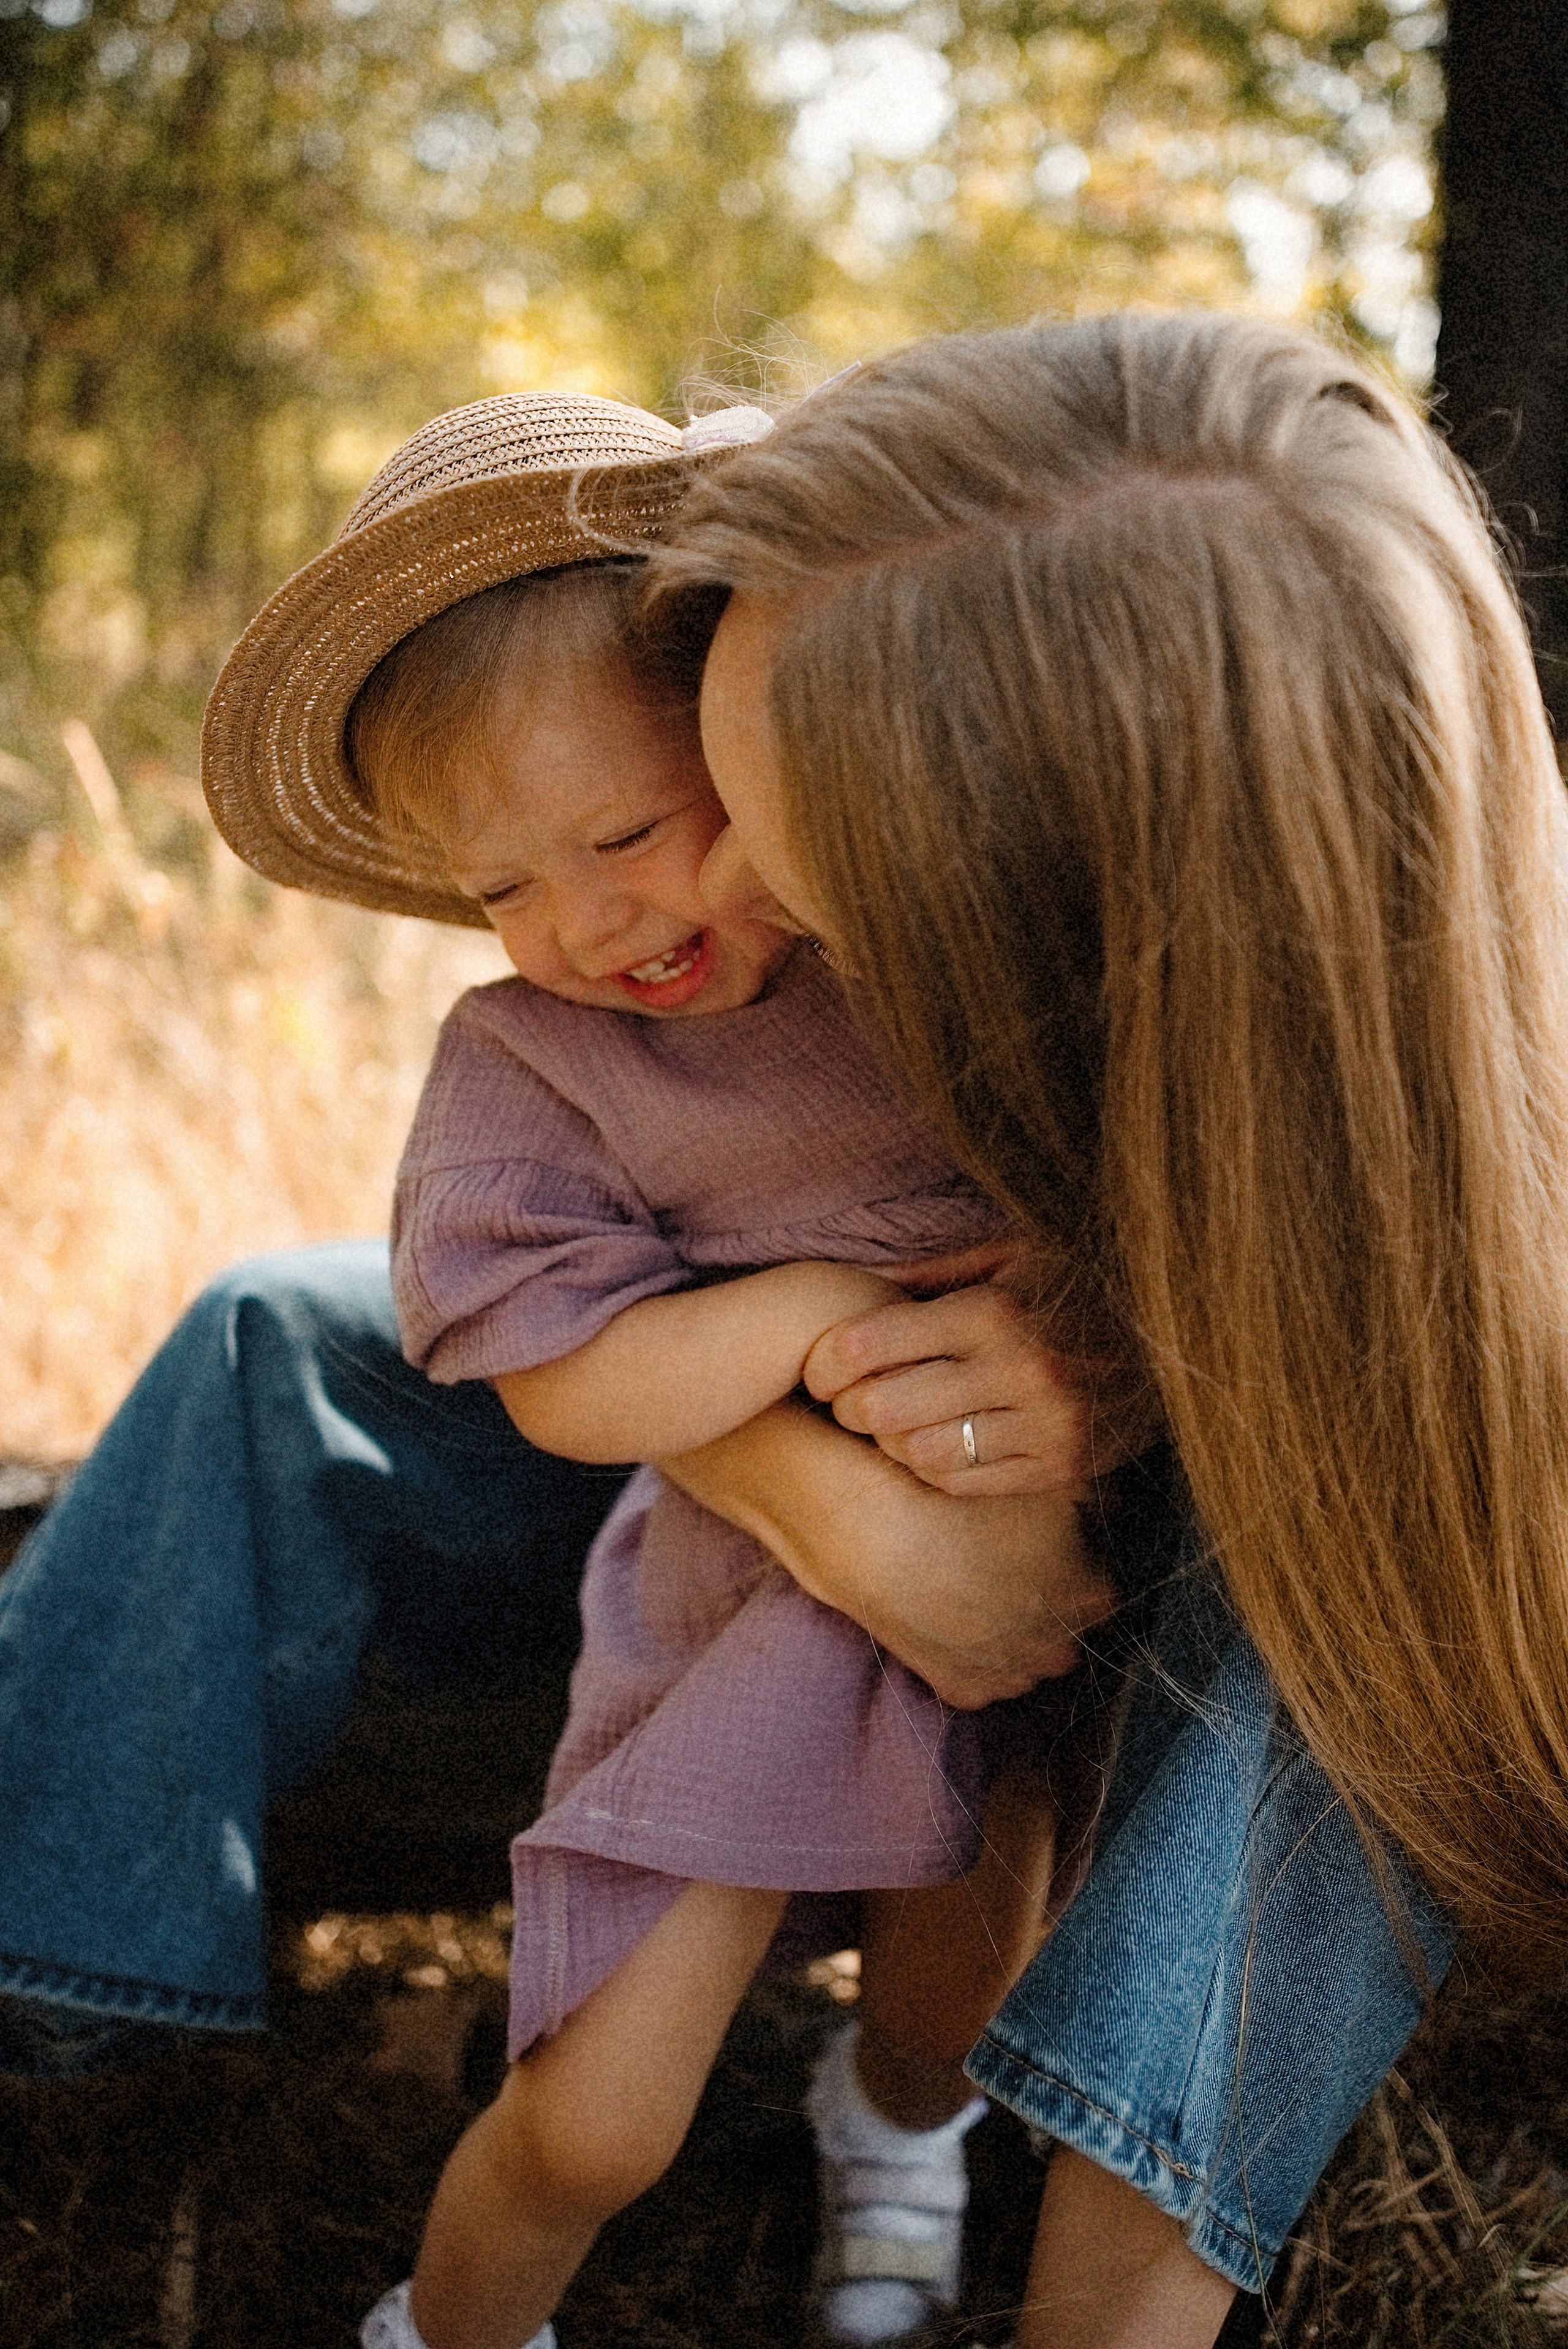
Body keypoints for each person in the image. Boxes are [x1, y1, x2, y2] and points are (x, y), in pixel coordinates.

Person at [637, 307, 1568, 2345]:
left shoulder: (1448, 1394)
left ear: (1081, 976)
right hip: (796, 1423)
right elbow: (564, 1309)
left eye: (820, 898)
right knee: (286, 1334)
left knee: (1319, 1633)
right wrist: (814, 1486)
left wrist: (1119, 1374)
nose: (701, 887)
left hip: (1256, 1590)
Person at [206, 396, 1113, 2349]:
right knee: (600, 2112)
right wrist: (793, 1313)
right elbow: (565, 1382)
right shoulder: (537, 1062)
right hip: (740, 1625)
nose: (589, 919)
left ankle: (894, 2133)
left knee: (963, 1973)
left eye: (627, 831)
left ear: (748, 729)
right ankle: (450, 2324)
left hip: (1027, 1589)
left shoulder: (914, 943)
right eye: (507, 885)